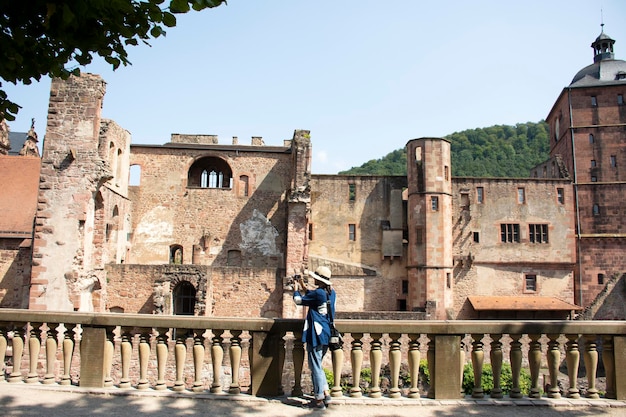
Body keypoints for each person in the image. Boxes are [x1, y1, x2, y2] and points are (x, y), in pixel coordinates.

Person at [293, 266, 337, 410]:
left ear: (319, 280)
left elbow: (299, 301)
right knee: (318, 365)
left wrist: (295, 289)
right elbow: (312, 295)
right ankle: (327, 394)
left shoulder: (318, 294)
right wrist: (302, 285)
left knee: (315, 367)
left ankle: (318, 400)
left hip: (316, 333)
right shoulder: (331, 293)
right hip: (327, 333)